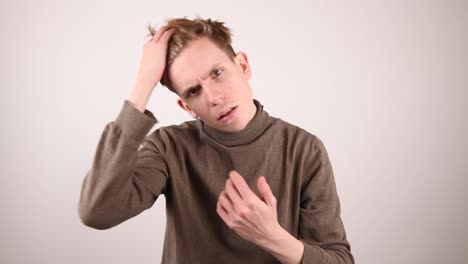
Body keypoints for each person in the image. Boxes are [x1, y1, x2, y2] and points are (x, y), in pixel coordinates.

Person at [78, 17, 354, 264]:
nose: (213, 97)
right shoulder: (169, 147)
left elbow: (338, 259)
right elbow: (97, 211)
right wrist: (143, 82)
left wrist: (272, 237)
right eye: (194, 91)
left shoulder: (304, 149)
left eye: (217, 73)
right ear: (186, 107)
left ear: (243, 65)